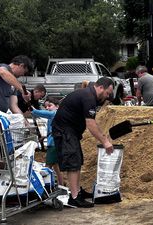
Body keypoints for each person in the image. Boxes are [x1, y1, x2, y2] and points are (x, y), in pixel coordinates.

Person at [52, 77, 114, 208]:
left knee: (77, 161)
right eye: (107, 93)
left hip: (70, 131)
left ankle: (77, 191)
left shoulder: (88, 95)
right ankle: (74, 197)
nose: (107, 96)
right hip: (64, 131)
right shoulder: (88, 97)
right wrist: (105, 141)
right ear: (101, 87)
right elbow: (91, 124)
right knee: (73, 162)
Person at [31, 97, 63, 186]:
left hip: (53, 144)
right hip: (55, 143)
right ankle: (61, 185)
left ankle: (44, 185)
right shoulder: (55, 115)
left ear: (57, 106)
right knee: (56, 166)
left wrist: (33, 110)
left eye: (50, 106)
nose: (47, 108)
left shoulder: (55, 113)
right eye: (46, 106)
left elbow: (41, 113)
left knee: (47, 166)